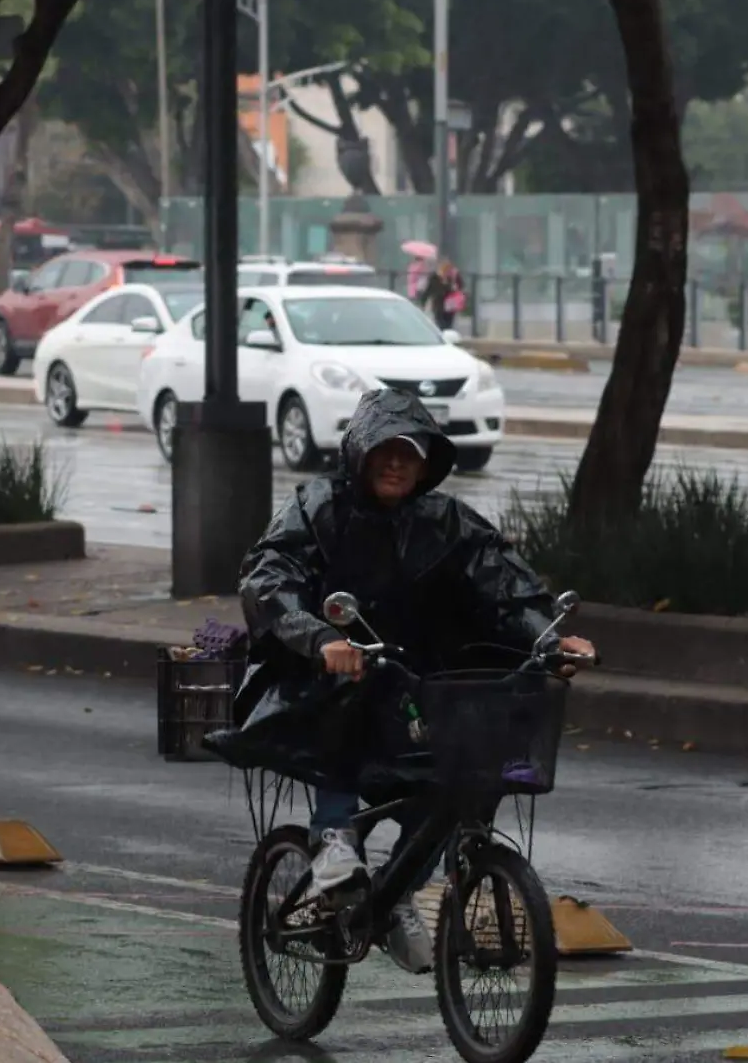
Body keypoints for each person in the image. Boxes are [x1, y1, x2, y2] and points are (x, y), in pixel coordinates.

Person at [210, 388, 594, 975]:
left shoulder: (446, 520)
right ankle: (333, 841)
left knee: (454, 779)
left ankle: (396, 894)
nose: (396, 464)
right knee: (345, 712)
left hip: (419, 682)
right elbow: (269, 578)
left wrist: (550, 637)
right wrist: (319, 640)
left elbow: (503, 581)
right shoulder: (317, 506)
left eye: (409, 453)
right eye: (384, 451)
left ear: (426, 463)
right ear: (359, 454)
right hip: (323, 675)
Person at [419, 259, 465, 331]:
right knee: (440, 324)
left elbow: (460, 286)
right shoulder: (434, 278)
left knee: (449, 324)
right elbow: (428, 291)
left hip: (450, 305)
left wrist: (453, 284)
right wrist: (423, 303)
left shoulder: (452, 276)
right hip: (439, 305)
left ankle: (447, 335)